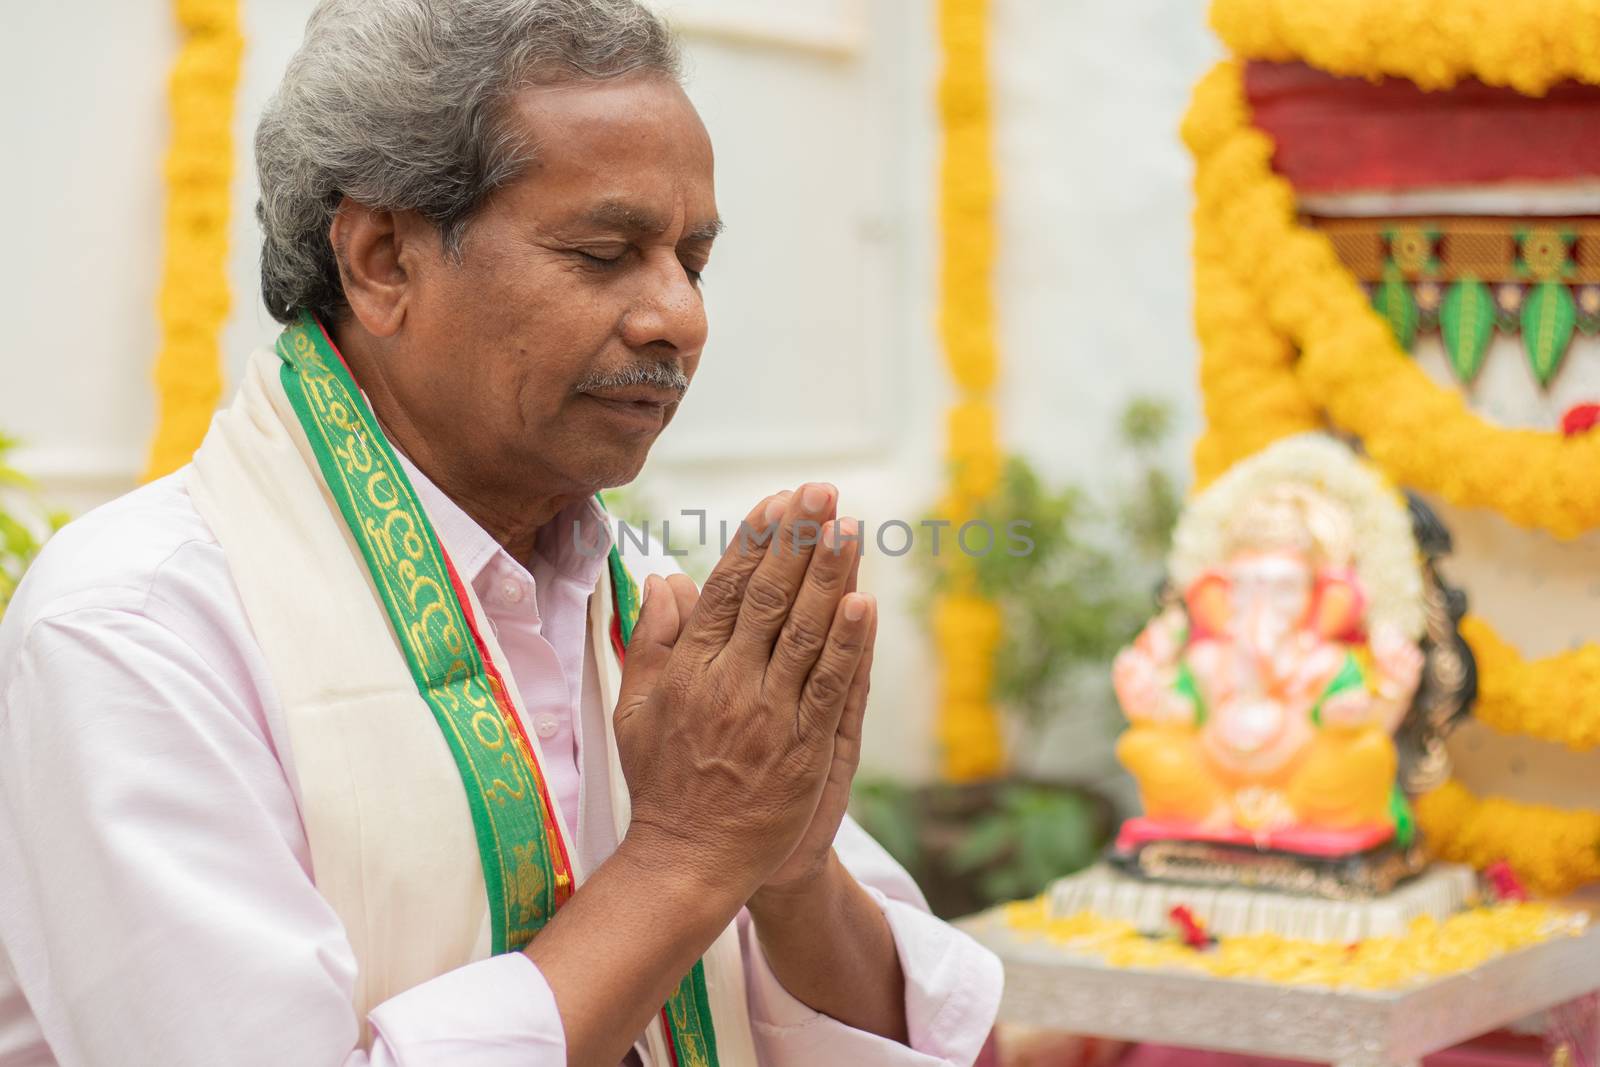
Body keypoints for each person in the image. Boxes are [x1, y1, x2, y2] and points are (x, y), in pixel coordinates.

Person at [0, 1, 1002, 1064]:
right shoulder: (136, 626)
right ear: (383, 259)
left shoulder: (642, 597)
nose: (680, 316)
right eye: (605, 251)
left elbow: (942, 1039)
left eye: (692, 260)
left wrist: (789, 870)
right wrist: (688, 854)